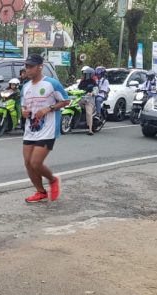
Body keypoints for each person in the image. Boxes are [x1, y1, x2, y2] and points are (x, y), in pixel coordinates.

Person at [20, 54, 70, 203]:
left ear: (40, 67)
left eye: (31, 66)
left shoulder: (51, 83)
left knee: (36, 162)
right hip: (31, 129)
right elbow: (24, 106)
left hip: (48, 128)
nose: (27, 70)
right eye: (26, 67)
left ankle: (53, 180)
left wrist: (49, 108)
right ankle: (40, 192)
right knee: (28, 163)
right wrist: (24, 112)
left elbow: (66, 101)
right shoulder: (26, 87)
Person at [77, 66, 99, 135]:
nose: (85, 75)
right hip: (81, 98)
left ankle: (90, 130)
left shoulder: (93, 82)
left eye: (87, 74)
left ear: (91, 74)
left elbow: (96, 90)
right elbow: (77, 88)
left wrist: (91, 93)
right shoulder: (82, 82)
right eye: (85, 74)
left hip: (89, 100)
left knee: (89, 113)